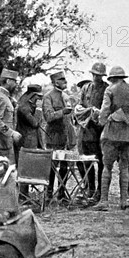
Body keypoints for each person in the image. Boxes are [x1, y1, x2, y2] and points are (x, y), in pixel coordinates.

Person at [94, 66, 129, 211]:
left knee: (107, 166)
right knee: (125, 166)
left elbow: (105, 111)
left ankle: (104, 201)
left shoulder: (109, 90)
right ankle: (124, 200)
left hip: (112, 134)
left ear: (111, 78)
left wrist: (101, 122)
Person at [74, 62, 109, 200]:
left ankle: (100, 191)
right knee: (84, 161)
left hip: (100, 130)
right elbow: (80, 105)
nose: (96, 77)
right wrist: (84, 112)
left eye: (99, 75)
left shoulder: (107, 89)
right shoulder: (85, 88)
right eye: (95, 74)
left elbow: (107, 109)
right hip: (85, 130)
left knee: (101, 161)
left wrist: (98, 114)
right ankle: (90, 188)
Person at [43, 71, 75, 202]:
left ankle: (61, 193)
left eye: (65, 79)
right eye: (62, 80)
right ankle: (49, 193)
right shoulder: (48, 97)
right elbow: (49, 116)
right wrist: (63, 112)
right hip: (53, 137)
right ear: (56, 82)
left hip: (66, 137)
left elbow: (71, 119)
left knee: (64, 166)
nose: (65, 82)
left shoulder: (66, 96)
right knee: (51, 166)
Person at [0, 68, 22, 164]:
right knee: (0, 173)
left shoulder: (5, 97)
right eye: (14, 82)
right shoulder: (0, 97)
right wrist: (12, 133)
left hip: (3, 143)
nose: (15, 84)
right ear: (8, 81)